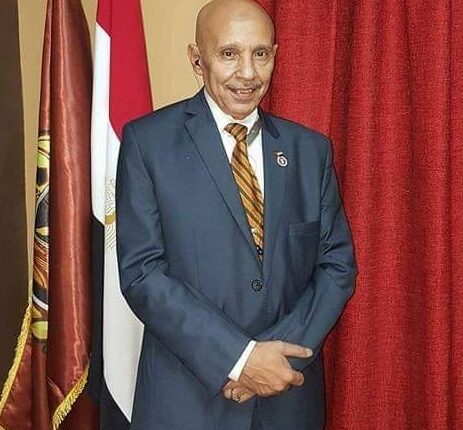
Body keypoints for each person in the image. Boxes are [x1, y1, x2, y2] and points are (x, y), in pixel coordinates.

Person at [115, 0, 356, 428]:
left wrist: (275, 361)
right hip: (186, 403)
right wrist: (239, 360)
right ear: (197, 60)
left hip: (286, 400)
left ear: (275, 55)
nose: (248, 72)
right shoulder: (147, 144)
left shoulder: (310, 151)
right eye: (229, 53)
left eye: (260, 53)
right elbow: (142, 274)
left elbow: (336, 266)